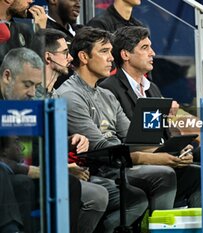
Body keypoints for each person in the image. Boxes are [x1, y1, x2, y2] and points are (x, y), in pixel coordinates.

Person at [56, 26, 164, 232]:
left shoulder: (106, 95)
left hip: (117, 166)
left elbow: (131, 136)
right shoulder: (70, 95)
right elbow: (99, 145)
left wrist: (160, 149)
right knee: (161, 176)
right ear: (84, 57)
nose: (111, 58)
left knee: (140, 197)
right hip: (97, 170)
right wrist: (145, 155)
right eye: (104, 51)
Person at [99, 26, 201, 208]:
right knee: (166, 174)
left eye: (151, 47)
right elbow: (120, 138)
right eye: (145, 48)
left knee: (202, 168)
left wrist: (181, 149)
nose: (152, 53)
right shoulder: (109, 88)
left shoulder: (152, 88)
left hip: (161, 155)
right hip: (132, 163)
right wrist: (159, 156)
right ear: (125, 55)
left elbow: (165, 132)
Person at [34, 28, 110, 233]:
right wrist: (64, 169)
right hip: (37, 174)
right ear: (48, 57)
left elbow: (50, 140)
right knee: (98, 194)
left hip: (62, 171)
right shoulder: (32, 96)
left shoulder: (55, 96)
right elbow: (32, 148)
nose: (70, 58)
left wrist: (70, 139)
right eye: (65, 52)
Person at [0, 47, 83, 233]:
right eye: (27, 84)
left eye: (36, 86)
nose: (32, 92)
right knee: (23, 184)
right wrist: (34, 170)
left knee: (70, 184)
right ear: (7, 76)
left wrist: (64, 143)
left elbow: (30, 149)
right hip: (8, 174)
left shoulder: (23, 105)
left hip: (19, 169)